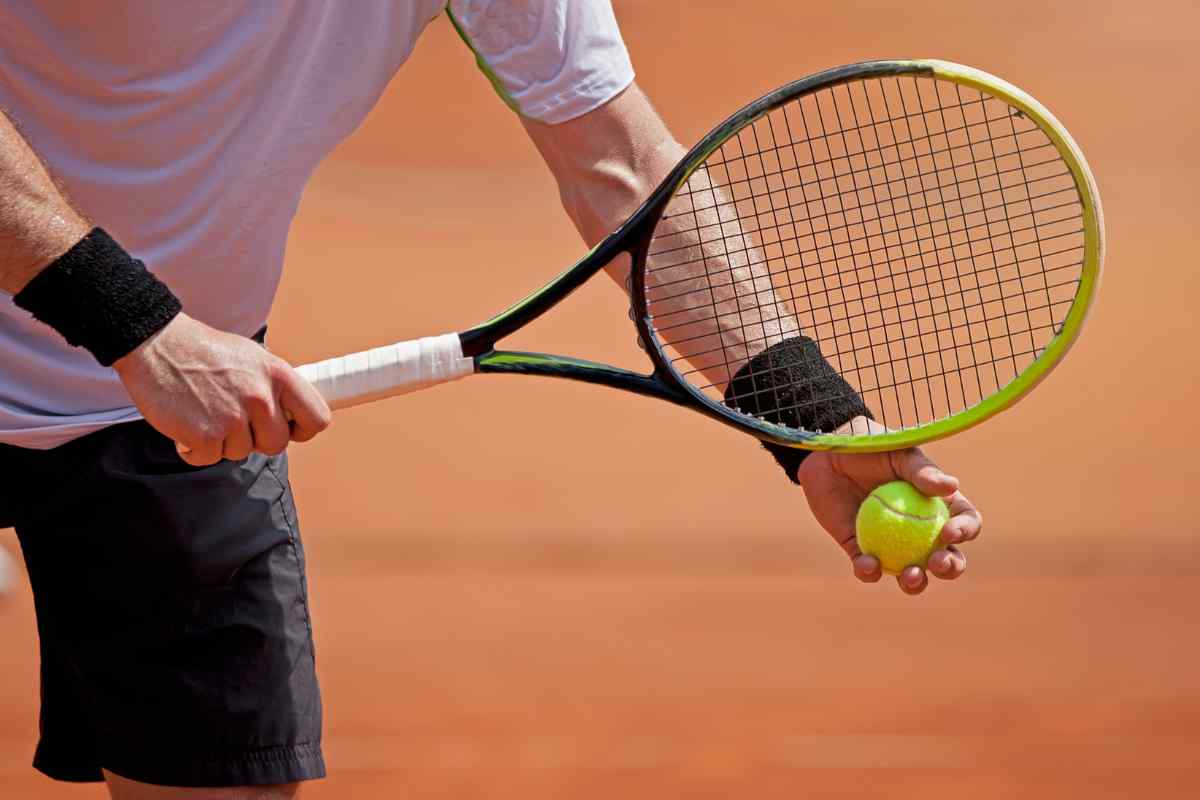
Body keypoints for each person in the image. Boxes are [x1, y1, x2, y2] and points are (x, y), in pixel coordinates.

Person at [0, 1, 982, 796]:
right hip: (161, 355)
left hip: (186, 408)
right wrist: (136, 324)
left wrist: (807, 417)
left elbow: (624, 169)